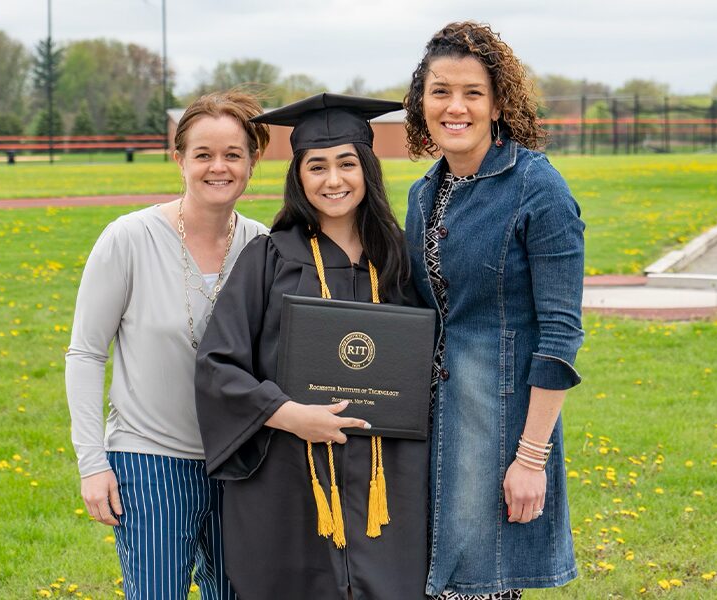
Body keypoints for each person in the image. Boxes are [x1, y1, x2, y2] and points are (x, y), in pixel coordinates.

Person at [194, 93, 429, 600]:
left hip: (385, 479)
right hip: (289, 474)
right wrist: (286, 414)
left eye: (347, 164)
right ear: (298, 176)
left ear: (367, 168)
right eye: (316, 166)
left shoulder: (399, 261)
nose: (333, 180)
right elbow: (218, 366)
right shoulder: (268, 259)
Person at [403, 22, 585, 599]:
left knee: (481, 582)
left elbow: (559, 334)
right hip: (427, 430)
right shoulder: (422, 193)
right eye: (440, 91)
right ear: (421, 102)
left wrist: (531, 456)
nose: (455, 107)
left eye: (472, 93)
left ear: (498, 102)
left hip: (498, 427)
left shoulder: (537, 187)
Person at [65, 90, 270, 599]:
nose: (217, 167)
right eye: (203, 154)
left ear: (252, 162)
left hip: (241, 462)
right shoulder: (128, 239)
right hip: (151, 458)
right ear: (178, 158)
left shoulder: (263, 247)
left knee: (237, 591)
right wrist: (92, 463)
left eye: (232, 155)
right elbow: (86, 354)